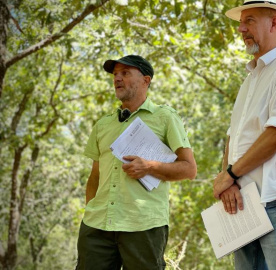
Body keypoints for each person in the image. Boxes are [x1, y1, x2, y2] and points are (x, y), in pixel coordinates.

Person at [213, 1, 276, 269]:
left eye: (249, 21)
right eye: (241, 22)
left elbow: (275, 136)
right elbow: (232, 138)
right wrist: (230, 183)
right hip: (243, 203)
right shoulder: (249, 80)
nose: (241, 28)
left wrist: (230, 175)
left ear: (273, 23)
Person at [76, 55, 197, 270]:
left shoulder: (165, 117)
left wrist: (149, 166)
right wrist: (90, 212)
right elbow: (94, 177)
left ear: (146, 80)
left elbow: (189, 169)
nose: (117, 79)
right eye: (115, 74)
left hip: (144, 226)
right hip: (97, 228)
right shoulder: (103, 124)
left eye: (125, 73)